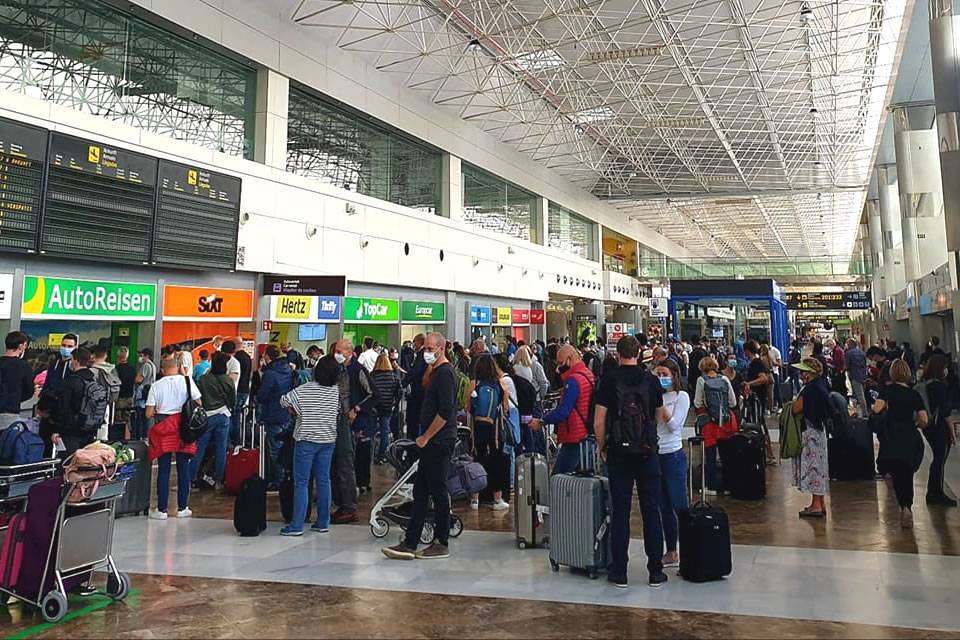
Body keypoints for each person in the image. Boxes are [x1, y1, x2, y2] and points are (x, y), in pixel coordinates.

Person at [595, 335, 670, 589]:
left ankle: (619, 572)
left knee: (620, 512)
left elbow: (599, 420)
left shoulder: (608, 380)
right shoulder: (651, 380)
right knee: (651, 511)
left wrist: (602, 447)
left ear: (618, 354)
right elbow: (659, 415)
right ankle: (655, 571)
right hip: (648, 454)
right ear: (639, 353)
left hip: (618, 454)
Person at [382, 332, 458, 560]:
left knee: (437, 489)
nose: (425, 352)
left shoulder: (445, 374)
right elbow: (425, 386)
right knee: (421, 491)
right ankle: (411, 541)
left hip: (438, 441)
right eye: (424, 348)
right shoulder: (435, 372)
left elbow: (446, 411)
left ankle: (441, 540)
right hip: (431, 441)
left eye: (430, 348)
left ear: (441, 349)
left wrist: (426, 436)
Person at [279, 354, 340, 536]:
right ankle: (323, 521)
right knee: (323, 480)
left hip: (306, 440)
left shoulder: (305, 389)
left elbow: (284, 400)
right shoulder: (334, 391)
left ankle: (297, 524)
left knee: (302, 482)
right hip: (328, 440)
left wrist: (295, 411)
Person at [872, 359, 929, 528]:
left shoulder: (887, 391)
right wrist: (916, 425)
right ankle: (908, 506)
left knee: (897, 473)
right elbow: (924, 419)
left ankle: (903, 505)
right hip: (909, 435)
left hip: (892, 436)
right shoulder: (913, 394)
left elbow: (876, 409)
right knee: (907, 472)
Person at [146, 357, 202, 520]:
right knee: (183, 469)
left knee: (163, 470)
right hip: (184, 430)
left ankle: (162, 510)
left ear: (162, 370)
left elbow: (148, 413)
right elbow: (198, 402)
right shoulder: (187, 382)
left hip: (163, 429)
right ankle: (183, 508)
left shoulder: (156, 385)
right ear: (178, 368)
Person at [529, 345, 594, 475]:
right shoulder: (587, 374)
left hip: (574, 436)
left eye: (560, 363)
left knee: (558, 479)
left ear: (569, 359)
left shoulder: (573, 380)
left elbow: (564, 411)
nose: (558, 369)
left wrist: (542, 421)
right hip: (586, 435)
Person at [653, 358, 689, 569]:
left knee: (679, 505)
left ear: (673, 375)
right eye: (658, 375)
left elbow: (675, 426)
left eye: (664, 374)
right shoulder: (656, 397)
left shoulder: (681, 397)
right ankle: (671, 550)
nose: (661, 378)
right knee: (663, 507)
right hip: (656, 456)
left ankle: (688, 548)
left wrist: (660, 405)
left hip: (673, 455)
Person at [468, 355, 510, 510]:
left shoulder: (475, 384)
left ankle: (475, 499)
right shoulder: (500, 384)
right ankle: (497, 499)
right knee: (496, 462)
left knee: (478, 460)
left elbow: (469, 408)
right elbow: (505, 409)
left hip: (477, 428)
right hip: (495, 430)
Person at [790, 357, 831, 518]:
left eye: (803, 371)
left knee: (813, 468)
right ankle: (819, 502)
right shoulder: (822, 385)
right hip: (819, 431)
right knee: (819, 467)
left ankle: (816, 506)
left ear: (810, 373)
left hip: (810, 431)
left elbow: (796, 409)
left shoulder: (810, 390)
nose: (800, 374)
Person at [694, 356, 737, 495]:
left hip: (709, 424)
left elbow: (697, 403)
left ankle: (711, 487)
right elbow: (733, 402)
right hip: (725, 422)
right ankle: (728, 486)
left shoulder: (701, 381)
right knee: (726, 457)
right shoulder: (724, 379)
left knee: (710, 456)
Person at [193, 352, 236, 490]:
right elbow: (232, 400)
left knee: (199, 448)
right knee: (221, 448)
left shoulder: (203, 379)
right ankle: (218, 480)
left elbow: (197, 397)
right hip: (223, 415)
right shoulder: (228, 380)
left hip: (207, 416)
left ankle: (192, 478)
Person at [919, 354, 957, 507]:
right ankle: (936, 493)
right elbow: (946, 412)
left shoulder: (925, 384)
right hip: (939, 426)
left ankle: (933, 492)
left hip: (928, 426)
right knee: (940, 460)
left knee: (937, 458)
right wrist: (953, 432)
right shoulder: (940, 386)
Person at [257, 345, 295, 490]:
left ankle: (280, 480)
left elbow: (262, 395)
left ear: (268, 356)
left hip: (273, 414)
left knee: (275, 449)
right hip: (286, 413)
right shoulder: (288, 370)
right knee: (284, 447)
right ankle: (285, 476)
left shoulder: (270, 373)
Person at [331, 339, 359, 524]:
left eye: (340, 351)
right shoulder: (339, 370)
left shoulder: (355, 371)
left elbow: (372, 394)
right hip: (336, 423)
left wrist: (356, 410)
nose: (337, 354)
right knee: (337, 466)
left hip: (345, 423)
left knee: (344, 465)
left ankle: (348, 506)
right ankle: (341, 504)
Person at [369, 351, 402, 465]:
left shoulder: (372, 375)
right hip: (387, 407)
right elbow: (400, 391)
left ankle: (370, 456)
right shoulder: (393, 376)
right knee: (385, 432)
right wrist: (394, 403)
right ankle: (382, 456)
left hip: (374, 407)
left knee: (371, 432)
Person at [0, 331, 35, 430]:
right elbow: (29, 391)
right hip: (10, 414)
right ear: (21, 346)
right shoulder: (23, 366)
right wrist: (15, 397)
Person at [41, 333, 78, 398]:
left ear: (75, 347)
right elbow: (47, 382)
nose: (66, 348)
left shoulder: (75, 366)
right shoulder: (54, 363)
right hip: (50, 402)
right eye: (64, 345)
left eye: (70, 346)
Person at [133, 348, 157, 440]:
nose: (140, 357)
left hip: (142, 392)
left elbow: (139, 379)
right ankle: (145, 435)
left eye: (141, 355)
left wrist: (136, 378)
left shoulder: (146, 366)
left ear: (146, 355)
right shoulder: (153, 366)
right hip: (149, 392)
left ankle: (141, 435)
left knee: (140, 415)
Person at [114, 347, 136, 433]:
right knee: (127, 419)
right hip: (130, 397)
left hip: (119, 398)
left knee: (118, 421)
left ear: (118, 357)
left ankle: (119, 438)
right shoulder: (132, 369)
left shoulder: (116, 369)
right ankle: (128, 437)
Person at [845, 339, 869, 418]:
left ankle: (864, 414)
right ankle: (862, 411)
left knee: (859, 395)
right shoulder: (862, 352)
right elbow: (865, 364)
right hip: (863, 376)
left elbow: (847, 366)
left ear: (851, 344)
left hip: (855, 376)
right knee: (863, 395)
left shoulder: (848, 353)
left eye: (848, 344)